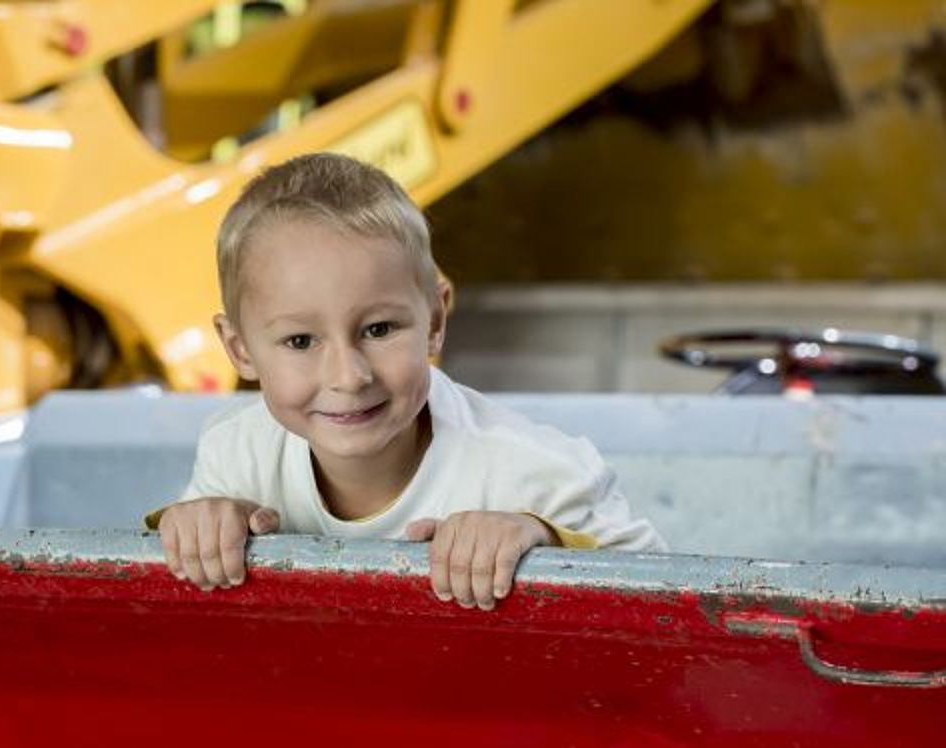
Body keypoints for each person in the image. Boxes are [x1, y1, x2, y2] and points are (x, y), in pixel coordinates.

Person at [146, 152, 664, 610]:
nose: (348, 376)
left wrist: (541, 538)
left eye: (379, 329)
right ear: (240, 349)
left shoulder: (534, 473)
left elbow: (673, 596)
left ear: (435, 322)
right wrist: (201, 527)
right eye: (301, 341)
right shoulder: (236, 456)